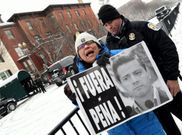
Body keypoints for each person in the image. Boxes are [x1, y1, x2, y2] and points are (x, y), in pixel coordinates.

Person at [98, 4, 182, 135]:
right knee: (170, 129)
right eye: (105, 25)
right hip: (148, 97)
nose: (109, 27)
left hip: (166, 84)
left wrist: (172, 77)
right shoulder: (109, 44)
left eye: (110, 22)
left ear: (118, 17)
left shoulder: (142, 27)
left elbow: (168, 48)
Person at [71, 31, 165, 135]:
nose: (86, 46)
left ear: (98, 45)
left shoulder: (114, 54)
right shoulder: (80, 79)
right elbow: (89, 107)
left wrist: (112, 58)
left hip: (141, 117)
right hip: (116, 128)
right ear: (79, 56)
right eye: (81, 46)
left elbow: (138, 55)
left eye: (89, 42)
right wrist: (76, 100)